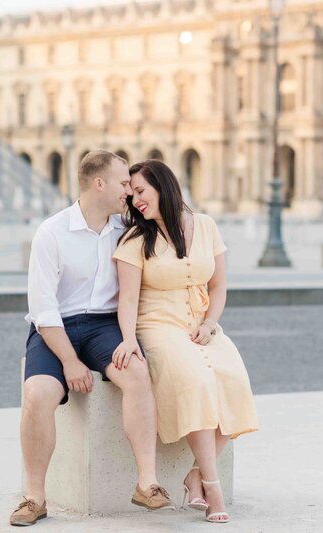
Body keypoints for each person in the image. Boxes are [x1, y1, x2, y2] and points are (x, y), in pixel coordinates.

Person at [11, 151, 174, 527]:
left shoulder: (128, 229)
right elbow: (44, 309)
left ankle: (147, 482)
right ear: (98, 184)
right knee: (37, 393)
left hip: (105, 326)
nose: (129, 194)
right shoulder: (51, 232)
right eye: (122, 185)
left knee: (136, 373)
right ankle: (35, 497)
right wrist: (70, 362)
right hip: (56, 329)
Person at [112, 159, 259, 524]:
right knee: (197, 381)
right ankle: (213, 485)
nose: (136, 202)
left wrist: (211, 323)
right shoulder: (134, 239)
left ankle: (194, 474)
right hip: (158, 325)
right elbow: (127, 299)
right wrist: (129, 339)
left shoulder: (206, 225)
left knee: (235, 382)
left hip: (201, 325)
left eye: (142, 192)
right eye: (132, 197)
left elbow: (218, 285)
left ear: (164, 186)